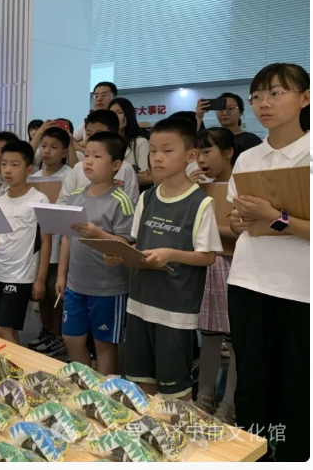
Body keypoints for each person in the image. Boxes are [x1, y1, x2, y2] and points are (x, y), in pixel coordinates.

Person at [226, 63, 309, 462]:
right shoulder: (249, 157)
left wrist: (275, 217)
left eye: (276, 93)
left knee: (296, 385)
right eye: (257, 96)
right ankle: (253, 454)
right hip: (248, 281)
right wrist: (240, 220)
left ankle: (293, 456)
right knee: (252, 380)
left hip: (299, 289)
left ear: (305, 98)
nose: (264, 103)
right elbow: (234, 220)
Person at [106, 117, 222, 400]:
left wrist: (171, 254)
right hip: (139, 303)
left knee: (175, 391)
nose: (157, 157)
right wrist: (121, 254)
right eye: (153, 150)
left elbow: (208, 256)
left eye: (167, 151)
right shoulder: (147, 197)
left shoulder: (201, 203)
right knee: (140, 382)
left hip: (175, 309)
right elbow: (137, 244)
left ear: (190, 156)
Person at [57, 132, 135, 375]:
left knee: (104, 345)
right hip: (75, 284)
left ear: (116, 165)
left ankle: (104, 390)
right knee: (71, 338)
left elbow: (126, 245)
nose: (88, 161)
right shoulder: (75, 197)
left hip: (108, 288)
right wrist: (61, 275)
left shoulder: (121, 201)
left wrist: (97, 233)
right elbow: (67, 239)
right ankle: (84, 383)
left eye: (97, 156)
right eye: (87, 155)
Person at [0, 140, 51, 344]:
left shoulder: (39, 200)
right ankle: (14, 363)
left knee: (2, 329)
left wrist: (40, 279)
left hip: (20, 277)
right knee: (6, 329)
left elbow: (46, 241)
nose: (7, 169)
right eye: (4, 164)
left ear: (29, 169)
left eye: (15, 164)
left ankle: (17, 363)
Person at [188, 127, 239, 424]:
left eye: (208, 152)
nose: (202, 160)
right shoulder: (198, 187)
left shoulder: (240, 184)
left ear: (228, 152)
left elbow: (242, 230)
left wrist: (208, 230)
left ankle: (229, 403)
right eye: (198, 153)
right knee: (208, 334)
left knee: (235, 340)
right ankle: (204, 398)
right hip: (207, 266)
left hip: (236, 266)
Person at [28, 126, 73, 357]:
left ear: (65, 152)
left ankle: (58, 335)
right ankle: (46, 330)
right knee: (41, 290)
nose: (46, 151)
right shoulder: (32, 178)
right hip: (37, 241)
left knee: (56, 289)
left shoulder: (70, 175)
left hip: (60, 242)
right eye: (43, 146)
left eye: (54, 147)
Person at [61, 110, 140, 201]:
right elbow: (63, 200)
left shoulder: (125, 168)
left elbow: (132, 202)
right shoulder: (78, 168)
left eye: (99, 134)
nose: (93, 138)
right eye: (88, 134)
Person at [195, 92, 262, 158]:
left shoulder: (251, 140)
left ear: (240, 112)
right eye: (220, 109)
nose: (224, 113)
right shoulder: (210, 138)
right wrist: (198, 117)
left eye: (230, 108)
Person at [109, 97, 151, 187]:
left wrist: (118, 179)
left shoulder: (140, 142)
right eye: (111, 113)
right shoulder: (106, 142)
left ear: (129, 115)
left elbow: (147, 178)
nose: (115, 117)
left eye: (119, 112)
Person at [73, 81, 118, 146]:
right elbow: (72, 139)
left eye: (104, 95)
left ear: (115, 98)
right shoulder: (89, 120)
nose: (99, 99)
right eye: (96, 96)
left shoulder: (119, 119)